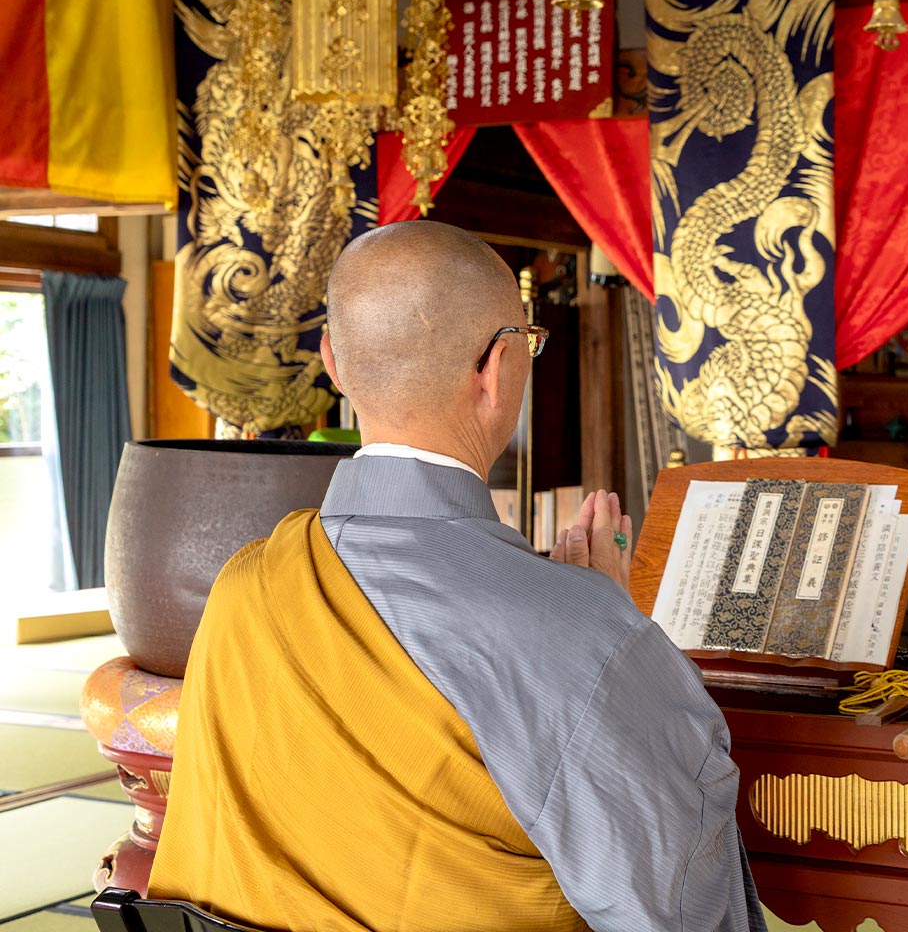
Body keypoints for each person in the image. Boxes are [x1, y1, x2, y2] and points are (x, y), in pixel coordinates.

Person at [149, 221, 765, 932]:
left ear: (334, 365)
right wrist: (607, 634)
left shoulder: (244, 586)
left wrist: (579, 621)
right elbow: (678, 906)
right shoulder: (584, 634)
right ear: (498, 368)